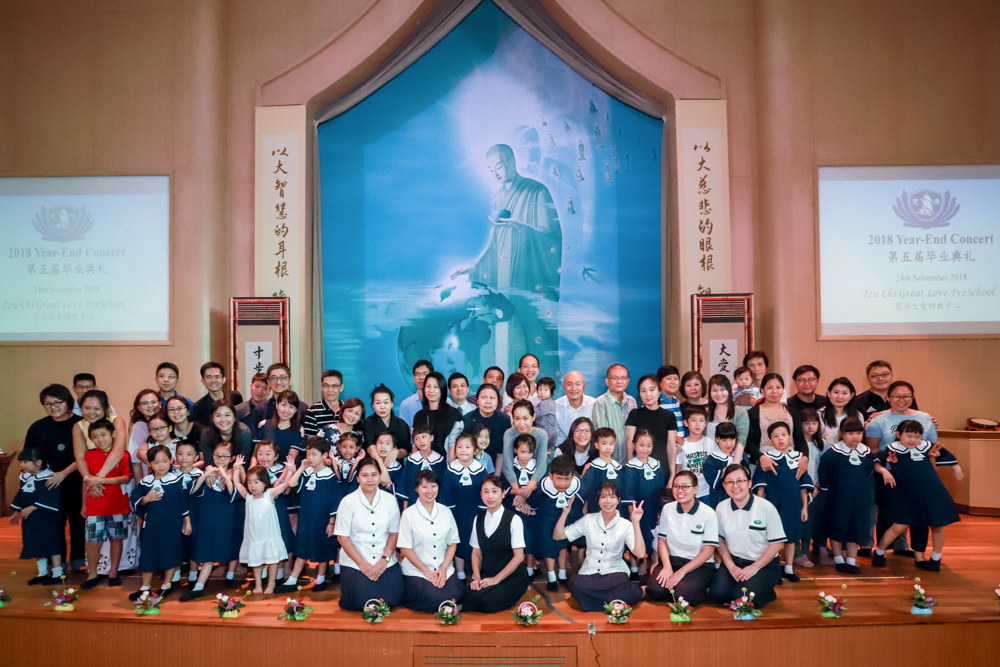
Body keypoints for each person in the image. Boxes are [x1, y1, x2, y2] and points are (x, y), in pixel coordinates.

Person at [454, 141, 562, 374]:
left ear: (512, 162)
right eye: (491, 169)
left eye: (499, 166)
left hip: (528, 279)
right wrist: (474, 266)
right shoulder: (499, 198)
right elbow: (494, 243)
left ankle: (537, 388)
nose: (495, 173)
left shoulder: (537, 191)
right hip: (503, 278)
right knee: (504, 332)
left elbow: (551, 237)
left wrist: (518, 227)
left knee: (531, 333)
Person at [872, 420, 961, 572]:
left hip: (931, 492)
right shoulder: (892, 450)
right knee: (899, 526)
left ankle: (935, 558)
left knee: (937, 525)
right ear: (898, 434)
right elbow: (874, 461)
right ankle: (880, 551)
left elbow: (945, 454)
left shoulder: (927, 447)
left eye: (917, 436)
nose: (913, 440)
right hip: (906, 494)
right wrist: (884, 470)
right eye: (909, 436)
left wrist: (957, 469)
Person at [554, 482, 645, 611]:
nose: (608, 501)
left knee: (619, 587)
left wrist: (635, 523)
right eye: (603, 497)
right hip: (590, 572)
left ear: (618, 500)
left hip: (615, 572)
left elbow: (640, 553)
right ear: (598, 500)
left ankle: (597, 601)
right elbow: (558, 536)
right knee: (576, 585)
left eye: (612, 497)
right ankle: (615, 601)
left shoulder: (625, 525)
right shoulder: (588, 520)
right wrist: (565, 513)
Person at [818, 418, 891, 575]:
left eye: (858, 433)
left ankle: (851, 560)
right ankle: (839, 559)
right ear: (841, 434)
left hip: (860, 499)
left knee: (855, 529)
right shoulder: (833, 453)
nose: (855, 437)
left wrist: (883, 470)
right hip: (838, 498)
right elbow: (824, 473)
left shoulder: (865, 452)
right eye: (850, 433)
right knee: (837, 528)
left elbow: (871, 468)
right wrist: (825, 490)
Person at [24, 384, 84, 571]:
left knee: (78, 522)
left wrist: (63, 473)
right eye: (48, 404)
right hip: (48, 485)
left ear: (68, 403)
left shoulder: (81, 424)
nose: (53, 407)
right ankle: (56, 564)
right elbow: (29, 457)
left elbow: (86, 456)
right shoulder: (38, 427)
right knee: (52, 525)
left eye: (58, 402)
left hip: (76, 482)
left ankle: (79, 560)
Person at [708, 464, 785, 609]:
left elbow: (777, 544)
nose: (735, 486)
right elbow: (720, 540)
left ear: (749, 483)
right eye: (729, 482)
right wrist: (731, 566)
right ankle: (747, 587)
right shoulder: (721, 507)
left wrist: (754, 568)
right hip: (735, 561)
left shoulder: (766, 507)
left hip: (763, 565)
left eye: (740, 481)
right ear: (724, 486)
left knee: (742, 600)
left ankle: (767, 591)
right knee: (717, 595)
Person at [334, 457, 405, 611]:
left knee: (394, 597)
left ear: (380, 477)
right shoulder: (348, 501)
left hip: (384, 559)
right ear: (358, 478)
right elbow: (342, 537)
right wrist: (362, 564)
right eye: (365, 475)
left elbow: (394, 533)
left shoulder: (390, 500)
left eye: (374, 475)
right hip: (355, 561)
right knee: (359, 599)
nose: (370, 480)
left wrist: (384, 560)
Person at [274, 438, 341, 594]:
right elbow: (292, 484)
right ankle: (292, 580)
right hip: (306, 519)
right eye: (308, 454)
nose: (310, 457)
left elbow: (335, 502)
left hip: (322, 520)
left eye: (314, 454)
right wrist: (301, 468)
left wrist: (331, 523)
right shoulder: (307, 473)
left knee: (322, 550)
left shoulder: (329, 476)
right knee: (302, 548)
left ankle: (321, 579)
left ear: (324, 455)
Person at [751, 423, 814, 582]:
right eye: (776, 436)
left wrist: (804, 507)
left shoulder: (799, 458)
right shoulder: (767, 458)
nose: (780, 439)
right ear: (770, 441)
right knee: (773, 538)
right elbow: (761, 485)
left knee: (791, 537)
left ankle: (789, 568)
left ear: (790, 437)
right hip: (773, 505)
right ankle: (774, 568)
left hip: (794, 506)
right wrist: (759, 506)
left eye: (784, 435)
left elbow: (803, 486)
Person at [645, 470, 718, 606]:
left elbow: (708, 551)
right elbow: (662, 541)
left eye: (685, 487)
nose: (680, 490)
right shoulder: (668, 509)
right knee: (654, 591)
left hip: (698, 565)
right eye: (676, 486)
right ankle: (675, 586)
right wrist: (667, 566)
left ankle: (700, 590)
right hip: (673, 560)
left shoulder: (708, 513)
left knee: (682, 595)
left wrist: (681, 572)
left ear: (696, 489)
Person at [128, 444, 191, 601]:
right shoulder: (145, 482)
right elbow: (135, 501)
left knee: (170, 553)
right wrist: (146, 499)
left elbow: (183, 504)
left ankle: (166, 585)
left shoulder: (175, 481)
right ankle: (145, 587)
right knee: (148, 555)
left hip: (172, 525)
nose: (161, 465)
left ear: (171, 461)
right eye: (156, 462)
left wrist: (187, 522)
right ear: (149, 464)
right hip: (151, 526)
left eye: (164, 461)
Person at [182, 442, 243, 600]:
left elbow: (236, 494)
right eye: (217, 456)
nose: (220, 459)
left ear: (232, 458)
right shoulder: (208, 472)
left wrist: (226, 476)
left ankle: (230, 577)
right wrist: (205, 475)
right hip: (209, 517)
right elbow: (192, 491)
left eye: (224, 456)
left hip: (229, 517)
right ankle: (199, 586)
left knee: (233, 545)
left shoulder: (235, 472)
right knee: (207, 550)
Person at [398, 470, 465, 613]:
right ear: (416, 488)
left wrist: (444, 569)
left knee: (455, 595)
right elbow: (405, 548)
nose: (429, 491)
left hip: (442, 568)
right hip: (417, 570)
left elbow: (453, 543)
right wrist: (427, 572)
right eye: (424, 486)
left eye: (433, 486)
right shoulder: (408, 514)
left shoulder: (446, 511)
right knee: (432, 597)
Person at [462, 474, 531, 613]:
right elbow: (476, 553)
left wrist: (496, 579)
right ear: (481, 495)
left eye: (494, 491)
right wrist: (476, 577)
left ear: (503, 493)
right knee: (466, 596)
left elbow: (519, 557)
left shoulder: (514, 520)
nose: (490, 496)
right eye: (486, 492)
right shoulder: (478, 519)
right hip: (487, 575)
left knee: (488, 603)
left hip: (511, 577)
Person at [516, 455, 582, 591]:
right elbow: (535, 500)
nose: (563, 483)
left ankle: (562, 575)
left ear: (573, 477)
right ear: (551, 476)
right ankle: (552, 578)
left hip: (563, 520)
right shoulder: (544, 486)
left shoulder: (576, 485)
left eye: (567, 479)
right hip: (546, 521)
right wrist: (532, 509)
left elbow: (581, 500)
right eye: (559, 479)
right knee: (549, 549)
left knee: (563, 547)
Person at [81, 419, 132, 590]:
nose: (100, 440)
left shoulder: (122, 454)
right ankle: (92, 574)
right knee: (93, 541)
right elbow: (85, 482)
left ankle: (113, 573)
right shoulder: (88, 455)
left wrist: (101, 480)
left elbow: (126, 478)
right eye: (95, 436)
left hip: (118, 505)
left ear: (113, 434)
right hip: (95, 506)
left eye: (103, 435)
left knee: (116, 539)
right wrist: (84, 505)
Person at [233, 459, 293, 594]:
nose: (252, 486)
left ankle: (271, 584)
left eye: (256, 482)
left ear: (264, 483)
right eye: (249, 482)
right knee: (256, 561)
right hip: (254, 537)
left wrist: (289, 470)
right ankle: (258, 584)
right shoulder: (248, 497)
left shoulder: (269, 495)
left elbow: (285, 484)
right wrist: (237, 468)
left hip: (269, 535)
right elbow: (237, 483)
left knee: (272, 560)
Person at [10, 446, 65, 585]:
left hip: (48, 518)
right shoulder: (26, 477)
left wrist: (33, 507)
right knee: (36, 543)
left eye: (25, 462)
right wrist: (16, 511)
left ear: (39, 462)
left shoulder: (50, 477)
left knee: (52, 543)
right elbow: (21, 494)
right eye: (20, 462)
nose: (21, 465)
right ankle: (42, 573)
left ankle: (57, 573)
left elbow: (51, 496)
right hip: (31, 519)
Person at [439, 432, 488, 579]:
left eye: (467, 447)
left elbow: (485, 493)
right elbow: (446, 494)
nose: (463, 450)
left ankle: (475, 573)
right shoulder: (450, 470)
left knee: (476, 542)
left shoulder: (480, 470)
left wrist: (482, 513)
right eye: (459, 447)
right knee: (457, 540)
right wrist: (450, 515)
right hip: (456, 514)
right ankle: (460, 573)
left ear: (475, 451)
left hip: (475, 513)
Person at [620, 429, 666, 576]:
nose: (645, 449)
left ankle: (655, 561)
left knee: (654, 533)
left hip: (654, 507)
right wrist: (632, 515)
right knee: (638, 534)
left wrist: (661, 510)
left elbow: (661, 489)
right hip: (638, 509)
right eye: (641, 445)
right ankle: (638, 564)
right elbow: (628, 493)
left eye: (648, 445)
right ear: (634, 445)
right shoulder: (630, 466)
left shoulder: (656, 464)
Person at [744, 373, 809, 476]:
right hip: (762, 464)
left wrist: (805, 457)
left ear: (783, 390)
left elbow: (800, 440)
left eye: (778, 387)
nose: (774, 391)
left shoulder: (793, 412)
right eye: (770, 388)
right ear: (762, 391)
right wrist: (760, 457)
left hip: (790, 464)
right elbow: (749, 443)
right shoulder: (753, 413)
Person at [251, 440, 295, 569]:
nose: (264, 457)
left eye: (268, 454)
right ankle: (265, 570)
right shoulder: (254, 472)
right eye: (260, 453)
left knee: (283, 537)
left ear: (275, 457)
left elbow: (287, 490)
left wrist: (289, 472)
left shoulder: (281, 470)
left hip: (278, 509)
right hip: (259, 511)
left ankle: (284, 569)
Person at [626, 374, 679, 483]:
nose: (648, 394)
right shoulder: (634, 414)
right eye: (643, 391)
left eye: (652, 390)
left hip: (662, 468)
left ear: (659, 392)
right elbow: (630, 443)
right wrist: (630, 469)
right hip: (639, 468)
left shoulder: (669, 416)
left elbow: (671, 446)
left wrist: (672, 473)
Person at [865, 381, 936, 452]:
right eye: (897, 396)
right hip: (888, 459)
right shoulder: (878, 419)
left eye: (906, 396)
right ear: (888, 398)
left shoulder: (925, 418)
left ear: (912, 398)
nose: (902, 400)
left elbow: (932, 447)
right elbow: (873, 449)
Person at [592, 364, 637, 464]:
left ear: (628, 381)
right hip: (610, 462)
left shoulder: (631, 401)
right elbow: (602, 436)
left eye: (623, 378)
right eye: (615, 378)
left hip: (632, 460)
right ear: (607, 381)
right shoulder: (601, 402)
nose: (619, 381)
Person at [413, 372, 464, 458]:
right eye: (428, 386)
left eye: (436, 387)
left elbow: (455, 445)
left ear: (442, 389)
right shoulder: (419, 416)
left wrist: (451, 466)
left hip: (446, 462)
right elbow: (414, 444)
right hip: (423, 463)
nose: (431, 390)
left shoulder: (453, 414)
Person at [502, 400, 549, 490]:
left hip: (535, 479)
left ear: (533, 417)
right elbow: (508, 466)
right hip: (514, 478)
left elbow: (541, 466)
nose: (521, 423)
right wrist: (518, 491)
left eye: (525, 418)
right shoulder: (509, 434)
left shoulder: (542, 435)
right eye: (517, 419)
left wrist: (528, 489)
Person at [462, 383, 509, 469]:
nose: (488, 401)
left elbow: (501, 453)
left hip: (497, 466)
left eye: (492, 398)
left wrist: (496, 475)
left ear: (498, 401)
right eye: (484, 397)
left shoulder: (504, 420)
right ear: (477, 400)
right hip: (471, 466)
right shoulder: (467, 419)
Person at [399, 424, 447, 508]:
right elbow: (405, 485)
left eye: (424, 437)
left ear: (431, 438)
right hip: (414, 504)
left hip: (436, 505)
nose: (421, 441)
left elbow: (443, 487)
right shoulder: (411, 460)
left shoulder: (439, 460)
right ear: (414, 442)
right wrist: (405, 508)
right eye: (417, 438)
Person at [676, 405, 716, 503]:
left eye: (701, 421)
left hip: (706, 491)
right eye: (693, 420)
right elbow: (678, 468)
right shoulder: (681, 445)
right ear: (686, 423)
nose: (698, 424)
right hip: (687, 492)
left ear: (705, 423)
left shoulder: (711, 443)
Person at [578, 427, 623, 514]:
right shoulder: (593, 468)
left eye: (611, 443)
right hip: (596, 512)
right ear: (597, 445)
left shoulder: (619, 468)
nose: (608, 447)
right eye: (604, 443)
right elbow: (583, 490)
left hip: (617, 513)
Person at [854, 360, 920, 418]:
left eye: (885, 374)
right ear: (867, 379)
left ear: (892, 375)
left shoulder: (905, 397)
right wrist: (867, 424)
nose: (880, 379)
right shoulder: (857, 402)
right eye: (875, 376)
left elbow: (916, 419)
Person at [363, 384, 412, 460]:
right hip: (374, 464)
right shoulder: (367, 423)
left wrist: (397, 452)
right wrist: (382, 465)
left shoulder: (401, 424)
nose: (382, 407)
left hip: (396, 465)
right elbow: (370, 448)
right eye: (378, 403)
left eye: (386, 402)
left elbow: (406, 450)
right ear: (373, 405)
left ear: (392, 403)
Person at [706, 374, 749, 457]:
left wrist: (736, 462)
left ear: (729, 390)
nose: (719, 394)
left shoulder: (740, 412)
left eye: (722, 389)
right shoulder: (706, 412)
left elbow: (741, 440)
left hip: (732, 458)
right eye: (714, 390)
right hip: (709, 459)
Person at [199, 399, 254, 463]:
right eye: (218, 415)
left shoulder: (244, 433)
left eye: (227, 415)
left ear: (234, 417)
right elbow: (209, 463)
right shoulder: (206, 434)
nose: (223, 420)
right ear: (212, 418)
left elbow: (243, 462)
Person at [257, 389, 306, 461]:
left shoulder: (299, 430)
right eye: (284, 405)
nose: (286, 410)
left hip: (287, 467)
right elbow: (256, 453)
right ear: (277, 405)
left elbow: (290, 459)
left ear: (295, 410)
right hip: (263, 467)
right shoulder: (263, 425)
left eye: (291, 407)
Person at [190, 362, 242, 428]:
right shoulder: (199, 407)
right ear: (203, 381)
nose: (213, 380)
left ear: (223, 379)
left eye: (217, 377)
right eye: (209, 377)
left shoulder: (235, 397)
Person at [703, 422, 739, 509]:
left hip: (738, 499)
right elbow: (712, 480)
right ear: (717, 439)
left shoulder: (738, 457)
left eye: (731, 439)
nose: (728, 444)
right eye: (724, 440)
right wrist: (724, 471)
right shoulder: (713, 458)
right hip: (720, 498)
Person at [819, 377, 863, 449]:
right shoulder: (819, 415)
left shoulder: (858, 416)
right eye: (836, 392)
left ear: (851, 395)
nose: (840, 396)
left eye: (845, 393)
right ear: (829, 393)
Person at [555, 371, 596, 444]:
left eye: (578, 384)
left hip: (590, 448)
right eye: (569, 384)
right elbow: (556, 435)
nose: (574, 388)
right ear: (564, 387)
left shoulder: (594, 404)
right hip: (565, 448)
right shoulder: (556, 406)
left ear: (583, 387)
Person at [303, 370, 345, 436]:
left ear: (341, 387)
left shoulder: (348, 410)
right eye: (326, 385)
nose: (330, 390)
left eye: (334, 386)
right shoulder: (312, 411)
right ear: (321, 387)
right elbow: (310, 440)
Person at [399, 360, 433, 428]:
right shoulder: (406, 404)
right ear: (414, 379)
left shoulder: (445, 402)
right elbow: (404, 431)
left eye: (425, 373)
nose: (421, 377)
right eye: (418, 374)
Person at [235, 372, 269, 438]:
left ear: (269, 391)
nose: (260, 391)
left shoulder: (273, 410)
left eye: (265, 388)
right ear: (251, 387)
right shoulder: (239, 410)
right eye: (257, 386)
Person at [333, 432, 362, 496]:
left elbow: (350, 480)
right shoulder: (336, 461)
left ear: (357, 449)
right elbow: (339, 480)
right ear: (339, 447)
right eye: (344, 447)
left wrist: (356, 463)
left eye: (351, 447)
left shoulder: (358, 463)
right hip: (336, 494)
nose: (347, 450)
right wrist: (333, 461)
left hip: (353, 495)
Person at [533, 376, 559, 449]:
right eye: (540, 389)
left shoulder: (546, 403)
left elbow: (532, 414)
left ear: (553, 391)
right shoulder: (551, 402)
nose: (542, 392)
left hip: (546, 432)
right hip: (549, 433)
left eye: (546, 389)